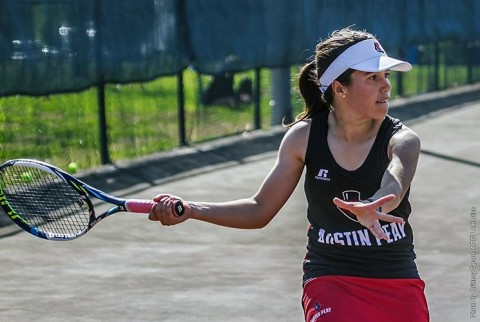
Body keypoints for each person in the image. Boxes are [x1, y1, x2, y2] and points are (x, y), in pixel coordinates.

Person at [148, 27, 430, 322]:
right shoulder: (303, 139)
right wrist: (191, 209)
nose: (386, 86)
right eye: (373, 78)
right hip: (331, 277)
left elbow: (396, 180)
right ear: (339, 87)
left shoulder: (403, 139)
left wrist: (378, 205)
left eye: (386, 76)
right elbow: (259, 210)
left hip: (395, 275)